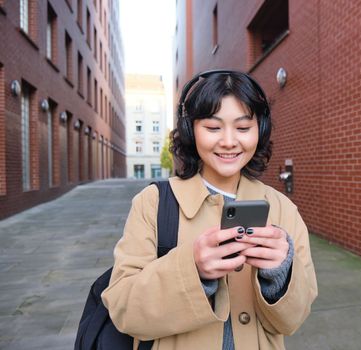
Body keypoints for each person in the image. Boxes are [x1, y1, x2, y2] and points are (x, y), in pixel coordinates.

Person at [101, 70, 318, 349]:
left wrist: (281, 275)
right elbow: (123, 310)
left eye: (242, 128)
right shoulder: (153, 203)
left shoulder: (283, 209)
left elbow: (293, 320)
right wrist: (193, 270)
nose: (229, 141)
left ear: (260, 130)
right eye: (213, 128)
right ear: (191, 129)